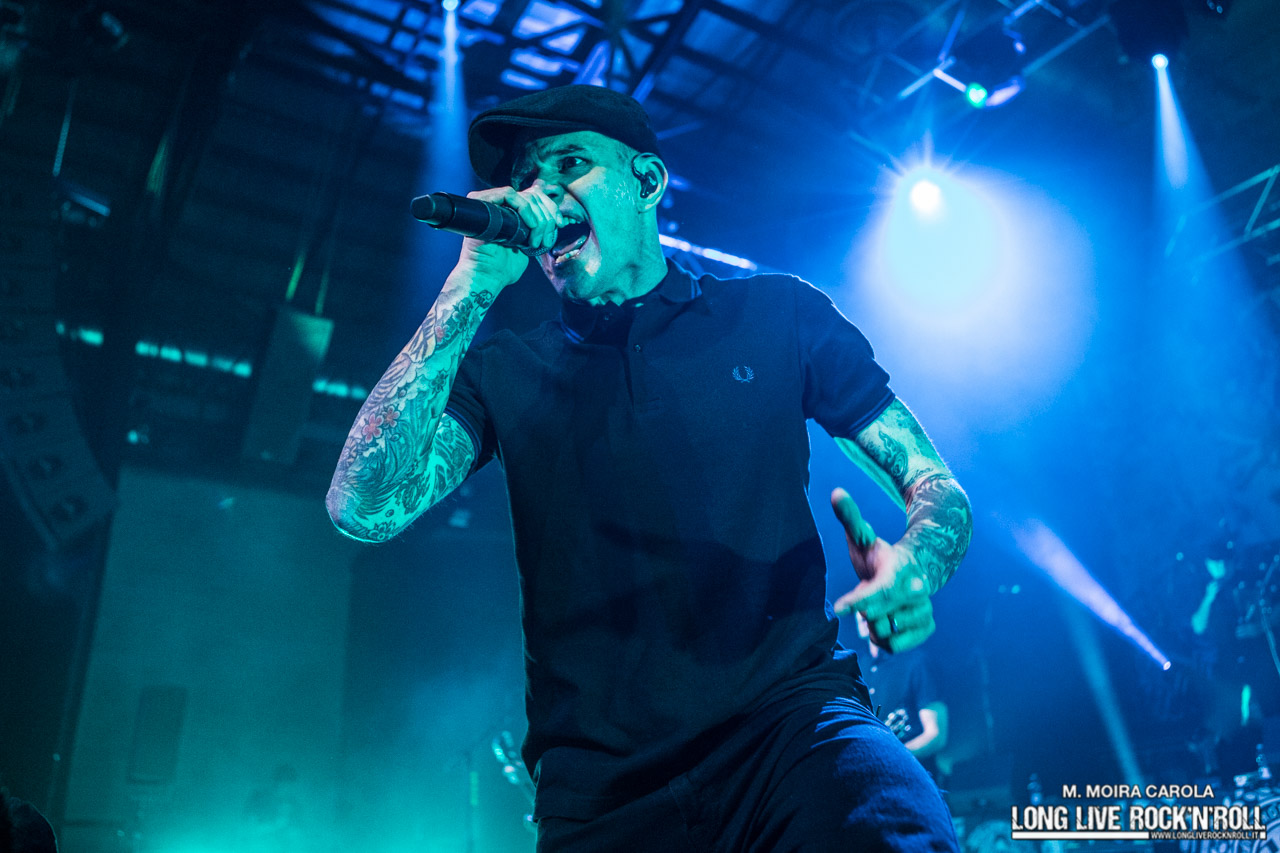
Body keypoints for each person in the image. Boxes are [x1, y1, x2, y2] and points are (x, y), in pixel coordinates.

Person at [327, 84, 973, 851]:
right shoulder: (505, 370)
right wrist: (468, 287)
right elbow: (362, 506)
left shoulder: (778, 316)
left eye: (571, 164)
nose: (543, 196)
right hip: (601, 793)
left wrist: (915, 566)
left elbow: (938, 487)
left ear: (647, 181)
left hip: (790, 728)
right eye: (526, 179)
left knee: (894, 826)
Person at [856, 612, 949, 780]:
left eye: (869, 602)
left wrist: (889, 758)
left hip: (912, 780)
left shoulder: (917, 662)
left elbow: (936, 735)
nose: (863, 610)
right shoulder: (856, 666)